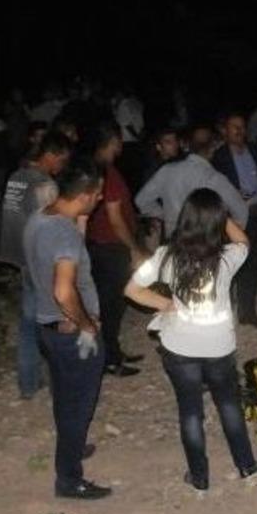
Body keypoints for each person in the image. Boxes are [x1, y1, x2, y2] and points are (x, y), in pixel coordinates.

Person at [125, 189, 257, 491]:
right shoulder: (227, 258)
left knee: (190, 410)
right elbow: (244, 241)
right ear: (217, 221)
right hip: (218, 347)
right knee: (229, 405)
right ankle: (247, 467)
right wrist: (225, 216)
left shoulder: (166, 256)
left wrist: (165, 305)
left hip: (179, 346)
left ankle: (199, 477)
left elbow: (132, 290)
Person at [24, 157, 110, 499]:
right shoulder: (63, 234)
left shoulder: (42, 217)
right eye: (98, 193)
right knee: (79, 404)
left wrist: (81, 226)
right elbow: (63, 291)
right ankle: (69, 479)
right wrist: (86, 325)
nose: (101, 199)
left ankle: (71, 448)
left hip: (47, 327)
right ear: (86, 194)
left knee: (64, 397)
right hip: (72, 334)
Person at [0, 131, 72, 398]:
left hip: (19, 256)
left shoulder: (15, 177)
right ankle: (57, 385)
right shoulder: (45, 186)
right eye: (61, 160)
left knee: (28, 322)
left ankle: (28, 383)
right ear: (50, 155)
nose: (61, 166)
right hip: (39, 262)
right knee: (49, 322)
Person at [85, 123, 148, 377]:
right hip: (111, 246)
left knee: (111, 303)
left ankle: (113, 351)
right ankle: (109, 359)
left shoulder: (96, 167)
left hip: (101, 245)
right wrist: (134, 247)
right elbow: (115, 217)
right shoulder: (106, 173)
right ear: (113, 141)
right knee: (111, 305)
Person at [135, 125, 249, 243]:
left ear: (188, 146)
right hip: (204, 244)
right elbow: (241, 211)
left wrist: (166, 216)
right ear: (212, 148)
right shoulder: (214, 177)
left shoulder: (167, 170)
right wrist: (228, 237)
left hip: (174, 242)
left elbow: (141, 200)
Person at [212, 112, 257, 327]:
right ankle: (225, 312)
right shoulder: (219, 156)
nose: (239, 131)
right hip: (232, 218)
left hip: (254, 213)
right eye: (234, 127)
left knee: (252, 263)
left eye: (242, 126)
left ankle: (248, 312)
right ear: (225, 131)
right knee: (229, 264)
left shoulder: (256, 150)